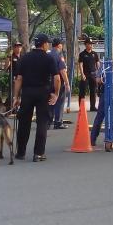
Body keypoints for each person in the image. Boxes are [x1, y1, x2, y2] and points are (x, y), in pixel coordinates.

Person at [13, 34, 61, 162]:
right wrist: (55, 93)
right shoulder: (49, 58)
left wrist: (16, 96)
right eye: (47, 43)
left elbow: (19, 78)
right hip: (43, 93)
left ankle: (20, 152)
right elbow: (57, 78)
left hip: (27, 92)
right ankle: (38, 153)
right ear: (44, 44)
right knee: (42, 122)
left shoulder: (25, 58)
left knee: (24, 122)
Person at [91, 53, 113, 151]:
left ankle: (92, 139)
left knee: (100, 115)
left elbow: (98, 79)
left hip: (105, 90)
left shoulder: (104, 64)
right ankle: (111, 140)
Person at [48, 38, 70, 129]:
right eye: (62, 45)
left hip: (48, 82)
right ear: (59, 45)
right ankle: (58, 122)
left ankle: (47, 122)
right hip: (58, 82)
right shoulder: (59, 56)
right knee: (59, 102)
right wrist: (67, 83)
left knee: (50, 102)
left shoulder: (48, 55)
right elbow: (62, 71)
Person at [77, 38, 101, 111]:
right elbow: (80, 65)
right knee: (82, 91)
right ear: (86, 44)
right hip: (85, 75)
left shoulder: (94, 54)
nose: (91, 45)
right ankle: (81, 107)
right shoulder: (82, 54)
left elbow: (98, 64)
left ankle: (92, 106)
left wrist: (98, 74)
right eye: (89, 44)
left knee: (93, 91)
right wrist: (82, 74)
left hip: (93, 75)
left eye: (91, 44)